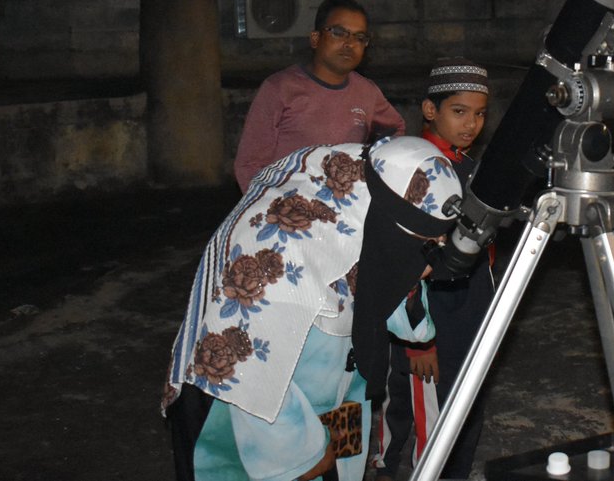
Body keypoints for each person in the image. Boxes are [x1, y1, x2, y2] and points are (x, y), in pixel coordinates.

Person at [163, 135, 464, 481]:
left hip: (338, 402)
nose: (434, 258)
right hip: (262, 432)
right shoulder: (277, 259)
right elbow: (250, 382)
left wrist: (410, 276)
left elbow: (391, 300)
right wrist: (308, 455)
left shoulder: (364, 210)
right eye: (426, 246)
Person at [372, 59, 495, 481]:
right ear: (430, 110)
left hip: (468, 311)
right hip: (429, 321)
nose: (471, 124)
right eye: (459, 111)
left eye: (479, 114)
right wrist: (417, 344)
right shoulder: (415, 171)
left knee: (465, 404)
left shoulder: (468, 166)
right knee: (428, 415)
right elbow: (400, 261)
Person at [233, 0, 406, 193]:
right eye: (339, 33)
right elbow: (248, 164)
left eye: (359, 37)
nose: (349, 43)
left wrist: (370, 169)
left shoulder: (367, 92)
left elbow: (395, 130)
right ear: (315, 39)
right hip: (289, 204)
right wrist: (272, 204)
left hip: (345, 204)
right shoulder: (280, 88)